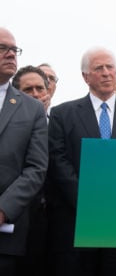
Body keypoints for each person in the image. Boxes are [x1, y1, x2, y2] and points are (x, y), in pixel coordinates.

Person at [46, 46, 116, 276]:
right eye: (98, 68)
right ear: (85, 77)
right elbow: (58, 161)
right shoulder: (62, 114)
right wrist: (88, 202)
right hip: (76, 222)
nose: (106, 73)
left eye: (110, 67)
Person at [0, 27, 48, 276]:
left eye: (14, 49)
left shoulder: (32, 109)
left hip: (5, 236)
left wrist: (3, 209)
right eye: (2, 48)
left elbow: (36, 168)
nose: (11, 55)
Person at [11, 65, 50, 276]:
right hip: (15, 219)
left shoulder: (59, 122)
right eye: (29, 90)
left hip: (50, 224)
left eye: (40, 88)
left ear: (49, 90)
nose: (36, 94)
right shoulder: (9, 125)